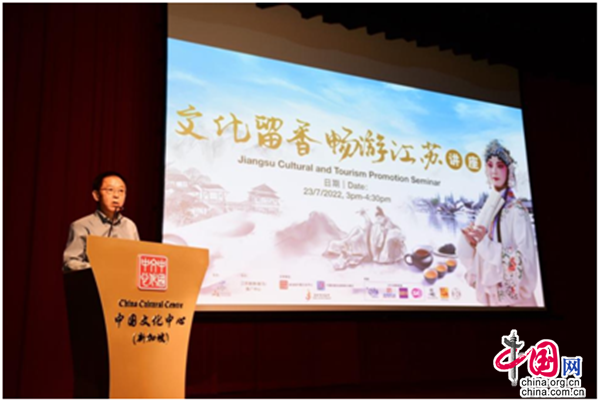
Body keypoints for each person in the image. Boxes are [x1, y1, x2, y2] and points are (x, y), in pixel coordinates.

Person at [457, 140, 538, 306]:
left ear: (509, 170)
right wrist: (472, 242)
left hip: (516, 302)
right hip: (493, 298)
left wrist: (484, 243)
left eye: (500, 165)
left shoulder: (516, 211)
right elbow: (480, 255)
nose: (494, 171)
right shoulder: (489, 205)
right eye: (490, 165)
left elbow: (526, 263)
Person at [63, 171, 139, 272]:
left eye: (121, 191)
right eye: (110, 190)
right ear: (96, 195)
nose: (116, 195)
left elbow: (137, 260)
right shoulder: (81, 226)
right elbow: (71, 263)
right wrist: (100, 269)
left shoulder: (130, 226)